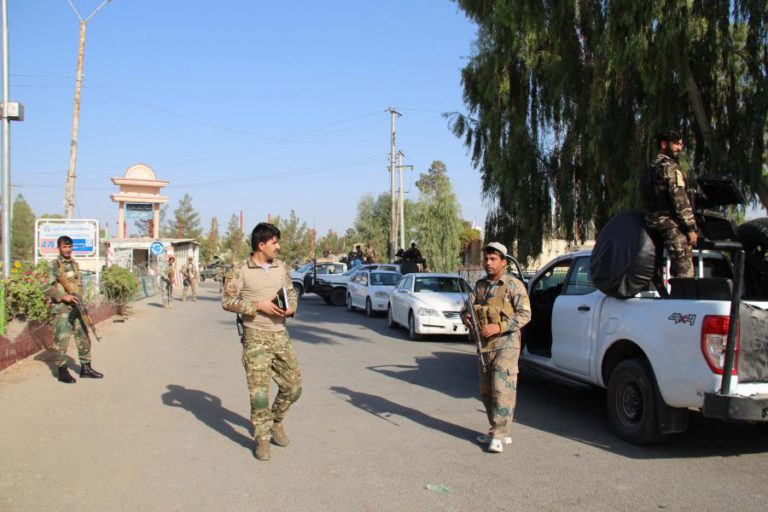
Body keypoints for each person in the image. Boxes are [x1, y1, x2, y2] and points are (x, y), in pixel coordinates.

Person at [222, 222, 301, 461]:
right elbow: (228, 301)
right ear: (261, 245)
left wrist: (291, 309)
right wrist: (258, 306)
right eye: (274, 242)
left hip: (280, 335)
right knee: (259, 394)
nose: (278, 247)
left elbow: (291, 291)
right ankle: (262, 438)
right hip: (255, 336)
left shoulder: (280, 267)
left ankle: (276, 421)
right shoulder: (240, 270)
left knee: (293, 387)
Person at [463, 242, 531, 453]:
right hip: (485, 346)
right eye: (486, 259)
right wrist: (465, 318)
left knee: (501, 388)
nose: (488, 263)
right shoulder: (480, 285)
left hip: (507, 345)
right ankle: (497, 429)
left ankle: (500, 435)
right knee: (486, 391)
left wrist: (499, 326)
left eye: (493, 259)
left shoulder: (513, 285)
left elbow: (525, 314)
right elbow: (467, 309)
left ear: (504, 261)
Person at [43, 235, 104, 384]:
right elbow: (44, 287)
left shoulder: (75, 264)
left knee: (84, 338)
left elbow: (78, 285)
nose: (68, 250)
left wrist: (82, 301)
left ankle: (86, 368)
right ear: (59, 248)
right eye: (65, 247)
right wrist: (63, 296)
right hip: (63, 309)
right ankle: (62, 371)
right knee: (62, 341)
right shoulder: (54, 266)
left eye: (70, 247)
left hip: (77, 307)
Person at [644, 129, 698, 278]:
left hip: (652, 224)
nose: (679, 148)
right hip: (671, 226)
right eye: (675, 144)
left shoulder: (652, 167)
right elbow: (679, 199)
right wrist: (690, 228)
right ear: (664, 144)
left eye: (681, 144)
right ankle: (683, 299)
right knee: (685, 272)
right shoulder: (670, 166)